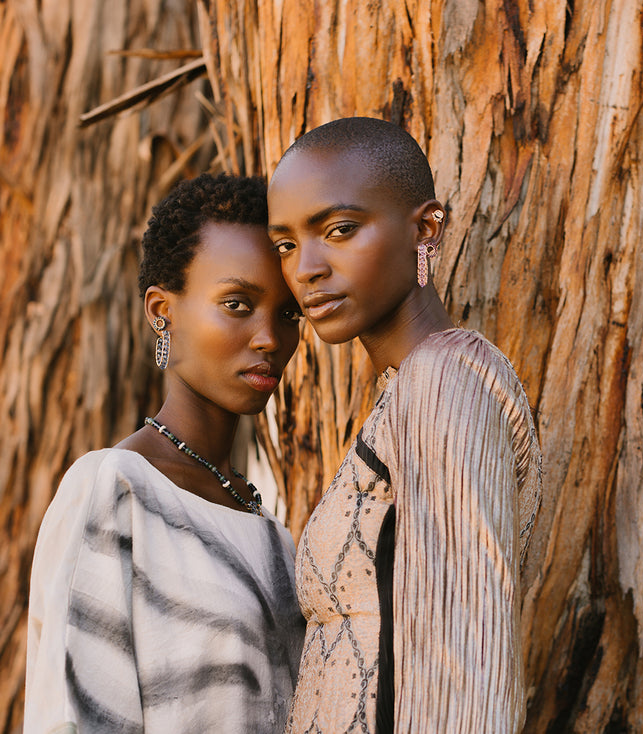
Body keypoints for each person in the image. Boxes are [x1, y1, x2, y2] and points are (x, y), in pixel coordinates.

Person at [267, 117, 542, 733]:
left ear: (425, 229)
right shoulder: (409, 392)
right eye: (285, 244)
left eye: (338, 231)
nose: (305, 268)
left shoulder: (444, 380)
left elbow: (467, 670)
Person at [25, 173, 307, 733]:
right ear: (162, 311)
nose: (270, 337)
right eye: (237, 303)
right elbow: (73, 717)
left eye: (288, 312)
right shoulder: (115, 489)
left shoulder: (274, 536)